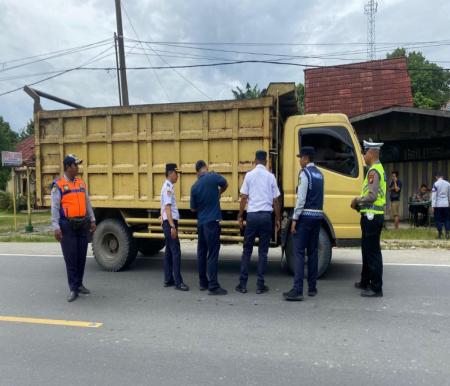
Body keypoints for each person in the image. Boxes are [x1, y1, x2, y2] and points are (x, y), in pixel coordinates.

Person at [51, 154, 96, 302]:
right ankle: (73, 288)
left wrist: (92, 219)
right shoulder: (58, 185)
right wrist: (56, 227)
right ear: (68, 167)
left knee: (81, 256)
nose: (77, 168)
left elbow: (87, 203)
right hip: (67, 226)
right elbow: (55, 208)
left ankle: (79, 284)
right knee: (71, 258)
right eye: (75, 165)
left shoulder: (81, 183)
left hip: (82, 224)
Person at [235, 150, 281, 295]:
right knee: (263, 252)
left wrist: (240, 215)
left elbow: (243, 198)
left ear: (255, 160)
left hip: (252, 216)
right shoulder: (271, 177)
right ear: (266, 161)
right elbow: (275, 201)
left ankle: (242, 284)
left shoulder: (249, 175)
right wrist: (278, 219)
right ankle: (260, 286)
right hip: (266, 217)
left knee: (247, 250)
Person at [283, 146, 324, 301]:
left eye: (301, 157)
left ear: (306, 158)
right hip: (318, 216)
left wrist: (294, 219)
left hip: (305, 217)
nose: (300, 160)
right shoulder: (320, 174)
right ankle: (312, 288)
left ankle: (297, 290)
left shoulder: (304, 173)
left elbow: (301, 198)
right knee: (312, 252)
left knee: (299, 252)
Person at [351, 140, 386, 298]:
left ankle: (376, 287)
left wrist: (357, 200)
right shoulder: (376, 169)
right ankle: (365, 281)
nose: (363, 156)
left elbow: (371, 196)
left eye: (365, 153)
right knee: (366, 250)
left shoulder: (373, 171)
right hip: (369, 217)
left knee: (372, 253)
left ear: (371, 153)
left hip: (372, 217)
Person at [190, 160, 228, 295]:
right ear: (206, 168)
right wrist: (218, 193)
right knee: (212, 254)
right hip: (212, 222)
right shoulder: (213, 177)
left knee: (201, 252)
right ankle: (213, 285)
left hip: (201, 223)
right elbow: (225, 183)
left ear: (197, 172)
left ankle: (203, 283)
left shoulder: (194, 187)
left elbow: (193, 209)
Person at [160, 163, 189, 291]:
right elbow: (167, 207)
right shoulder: (168, 187)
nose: (177, 176)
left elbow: (164, 207)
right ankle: (178, 282)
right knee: (176, 251)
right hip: (170, 223)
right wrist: (172, 226)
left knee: (169, 252)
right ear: (171, 173)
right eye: (176, 173)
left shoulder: (168, 186)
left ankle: (168, 279)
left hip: (167, 222)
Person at [431, 172, 450, 239]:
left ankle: (440, 234)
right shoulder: (448, 184)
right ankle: (447, 233)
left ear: (436, 177)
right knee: (447, 219)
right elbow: (449, 195)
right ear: (442, 176)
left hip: (438, 205)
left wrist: (433, 206)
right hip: (446, 204)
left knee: (438, 220)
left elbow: (434, 196)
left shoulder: (435, 184)